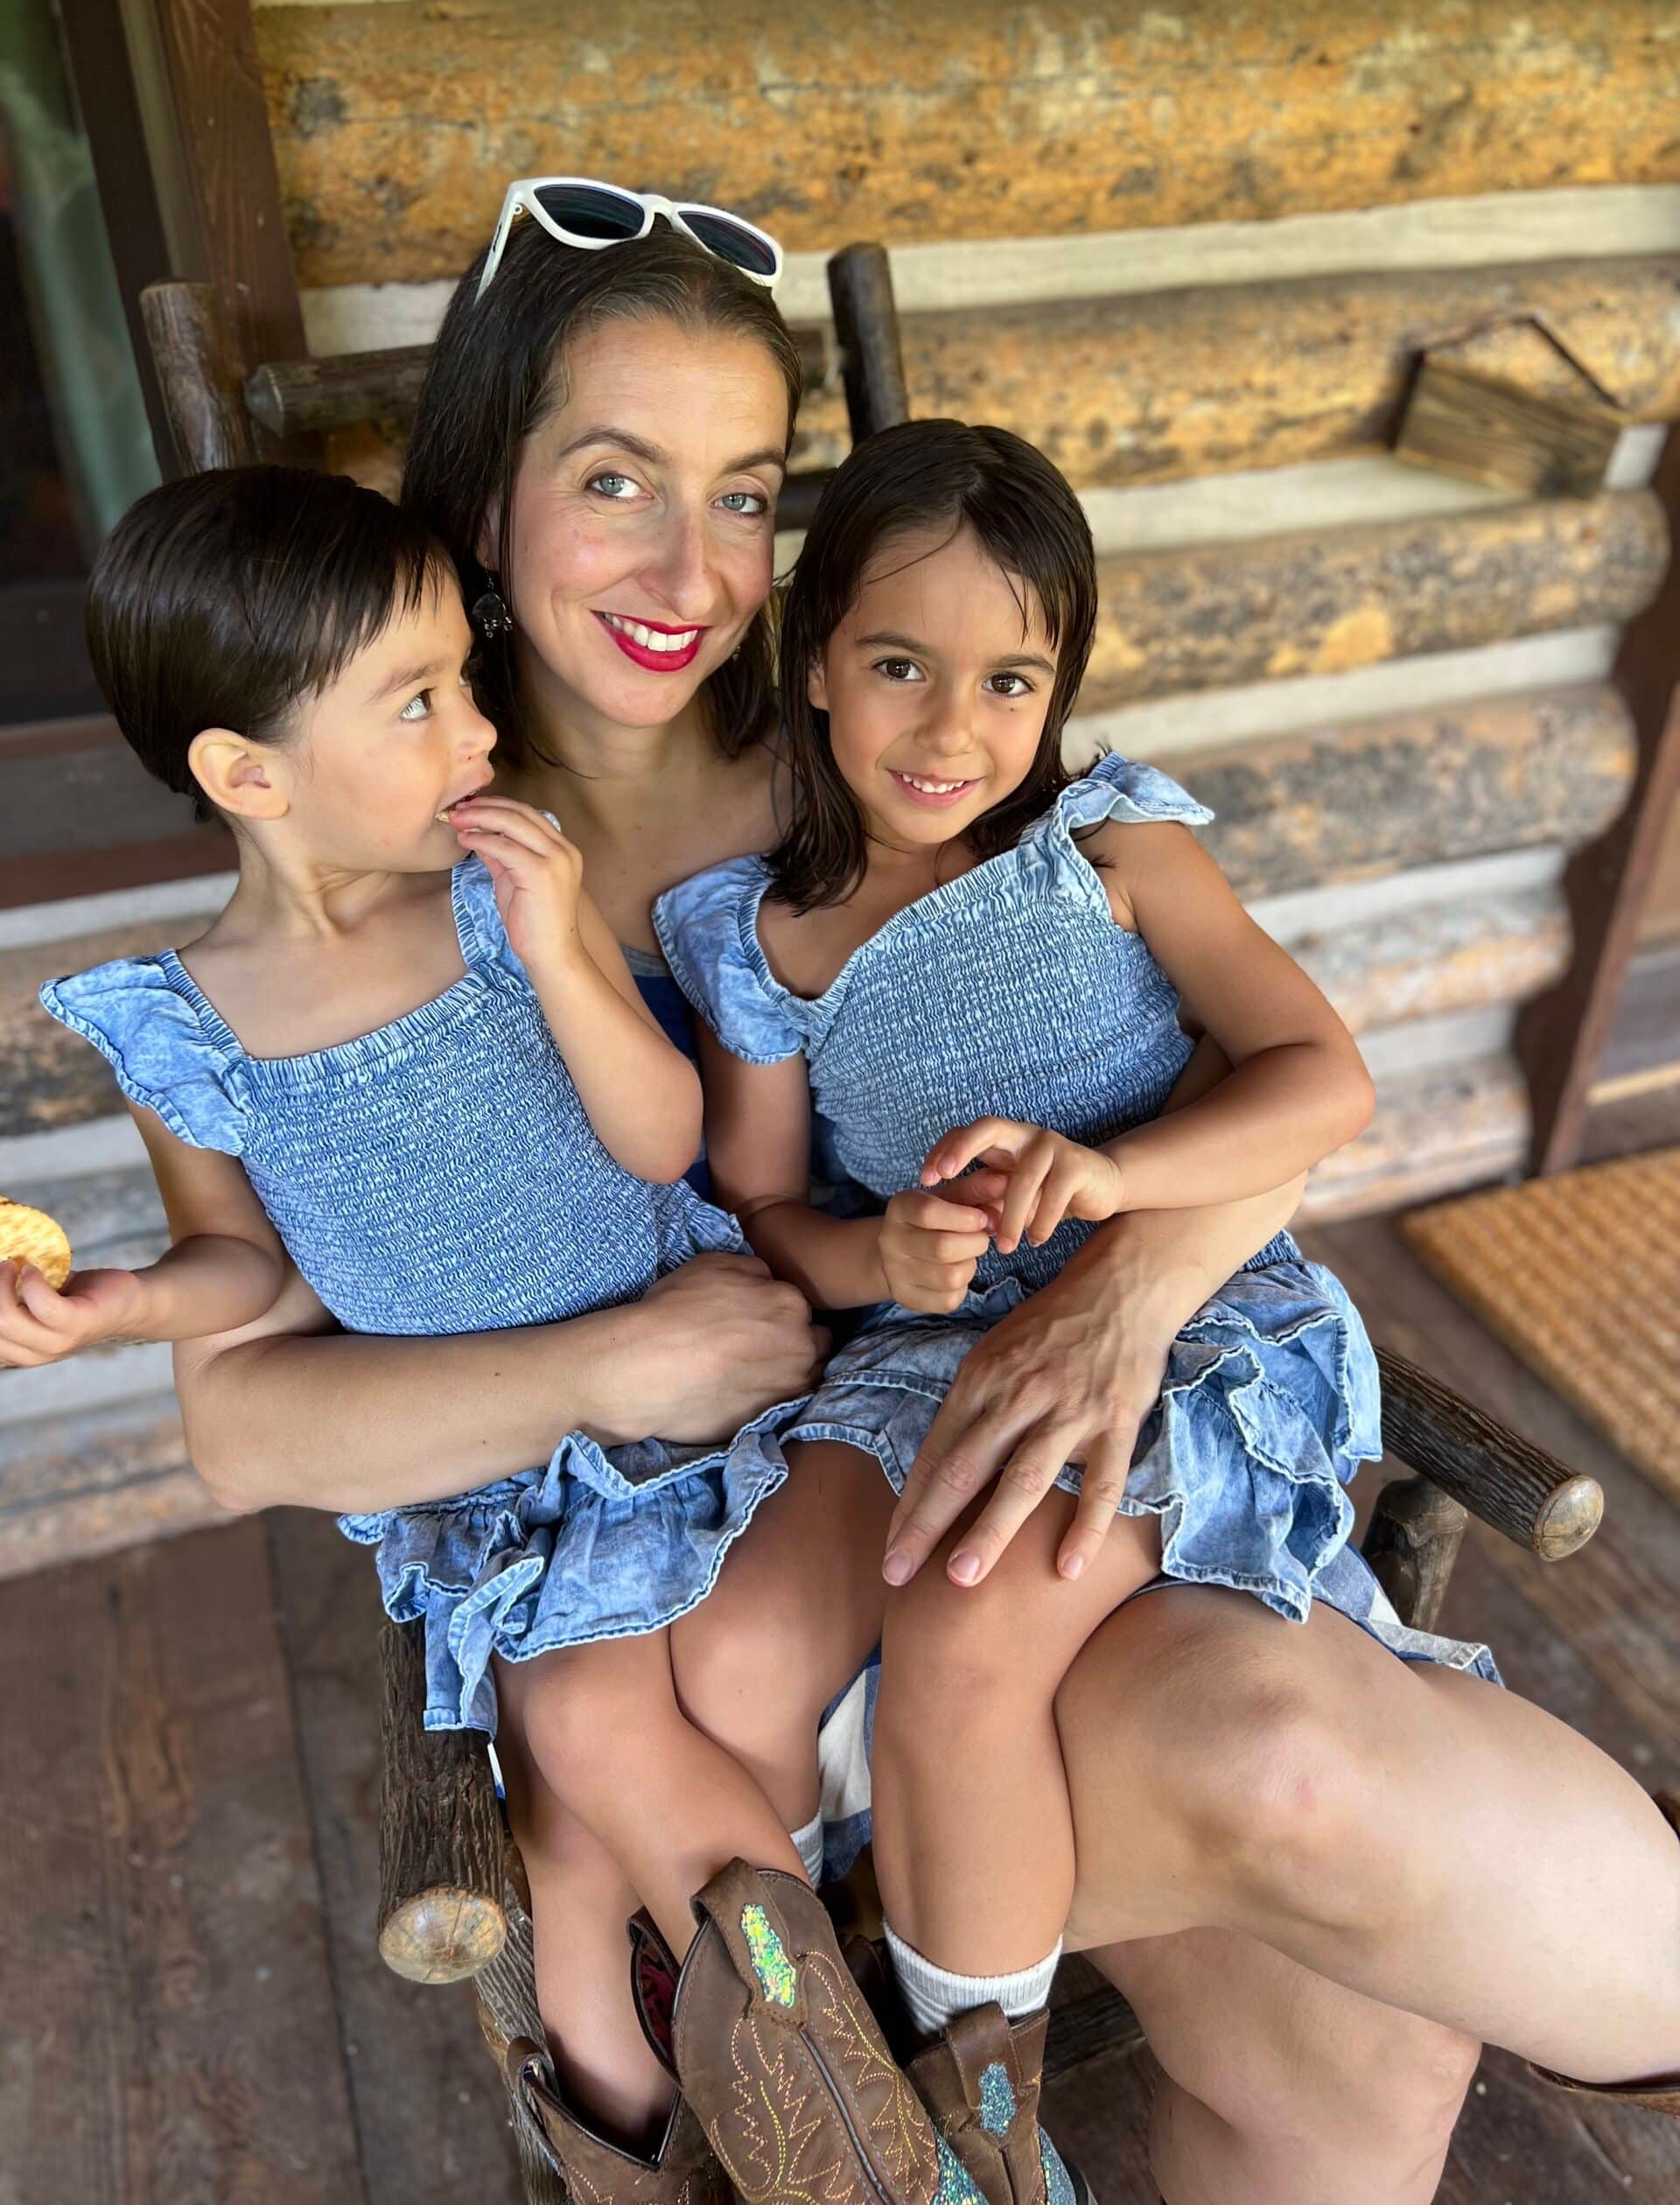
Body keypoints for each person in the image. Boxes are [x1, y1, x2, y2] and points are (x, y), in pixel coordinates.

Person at [72, 185, 1679, 2202]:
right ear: (482, 505)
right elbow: (242, 1410)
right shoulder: (394, 877)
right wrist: (617, 1358)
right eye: (614, 481)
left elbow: (1201, 1076)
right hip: (730, 1631)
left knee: (1356, 2035)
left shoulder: (894, 764)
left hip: (1000, 1449)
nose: (691, 568)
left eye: (745, 493)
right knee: (1292, 1789)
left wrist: (1126, 1289)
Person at [13, 466, 896, 2172]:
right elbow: (247, 1269)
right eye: (417, 701)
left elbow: (665, 1137)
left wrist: (564, 943)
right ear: (246, 775)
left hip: (707, 1410)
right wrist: (124, 1302)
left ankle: (832, 2094)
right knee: (567, 1813)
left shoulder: (496, 916)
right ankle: (675, 2140)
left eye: (463, 681)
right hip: (508, 1483)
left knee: (594, 1773)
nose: (478, 727)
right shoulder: (188, 1029)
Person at [653, 414, 1392, 2178]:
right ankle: (803, 2035)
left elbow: (1323, 1074)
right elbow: (764, 1204)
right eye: (899, 665)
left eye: (1008, 678)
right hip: (918, 1344)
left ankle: (982, 2119)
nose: (951, 728)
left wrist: (1125, 1173)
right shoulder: (760, 934)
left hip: (1180, 1319)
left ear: (1056, 687)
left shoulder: (1111, 850)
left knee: (974, 1588)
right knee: (736, 1641)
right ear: (813, 656)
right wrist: (876, 1256)